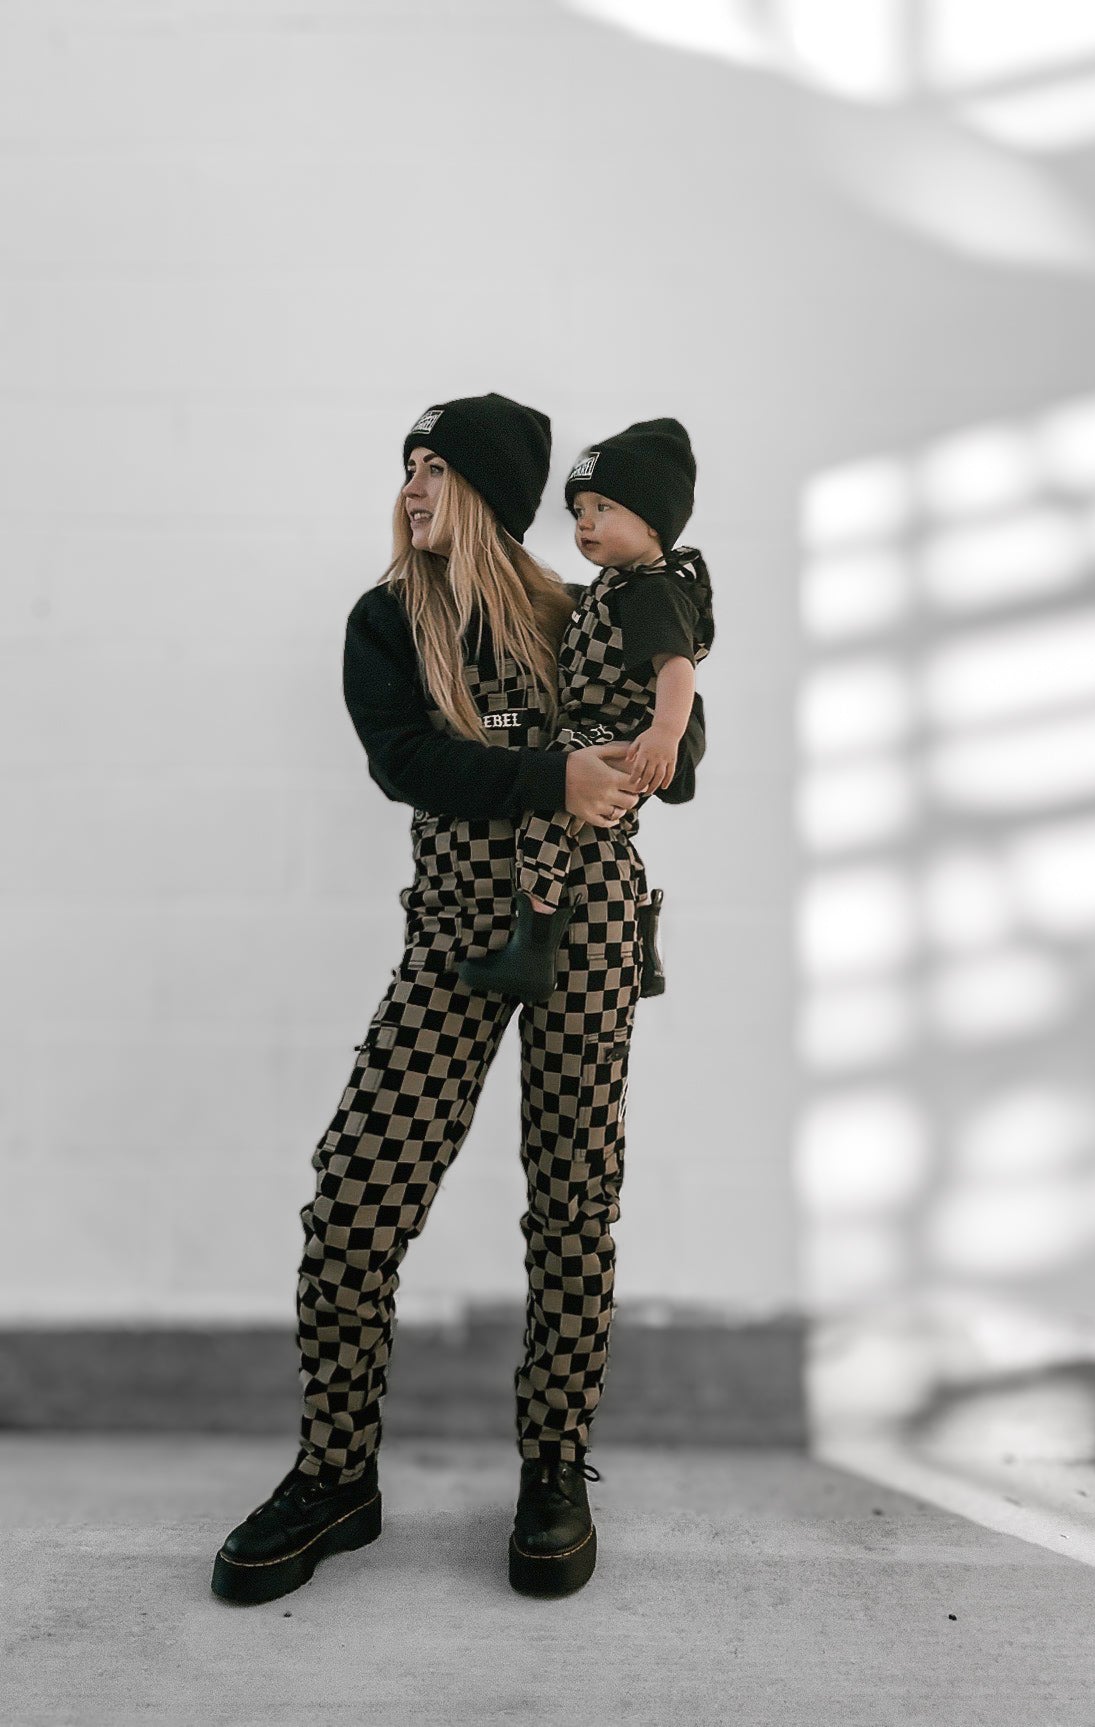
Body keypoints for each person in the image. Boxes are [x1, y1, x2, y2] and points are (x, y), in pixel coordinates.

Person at [210, 392, 705, 1608]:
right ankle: (337, 1473)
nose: (414, 487)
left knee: (574, 1204)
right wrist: (553, 775)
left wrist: (653, 739)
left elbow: (683, 756)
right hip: (456, 935)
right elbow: (404, 762)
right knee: (355, 1196)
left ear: (488, 495)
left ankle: (552, 1468)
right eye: (410, 466)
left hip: (589, 928)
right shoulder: (388, 618)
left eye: (438, 469)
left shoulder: (587, 608)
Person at [457, 418, 714, 1003]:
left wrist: (665, 733)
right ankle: (644, 951)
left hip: (612, 731)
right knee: (608, 833)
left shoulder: (651, 591)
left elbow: (676, 668)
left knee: (549, 804)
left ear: (653, 522)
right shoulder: (618, 586)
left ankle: (532, 945)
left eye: (604, 507)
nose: (585, 523)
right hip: (608, 728)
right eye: (578, 511)